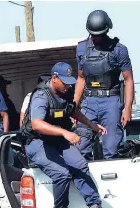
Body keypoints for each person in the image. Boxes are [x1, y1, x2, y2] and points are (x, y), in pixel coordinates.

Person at [20, 62, 107, 208]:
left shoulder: (66, 93)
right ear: (54, 78)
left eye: (69, 82)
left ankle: (94, 204)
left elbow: (73, 111)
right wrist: (64, 132)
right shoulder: (41, 96)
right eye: (64, 82)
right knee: (62, 174)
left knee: (80, 165)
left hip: (57, 140)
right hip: (36, 141)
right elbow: (36, 124)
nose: (67, 86)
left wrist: (92, 125)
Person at [74, 10, 134, 160]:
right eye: (93, 34)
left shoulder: (119, 50)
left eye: (99, 34)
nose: (96, 38)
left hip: (111, 101)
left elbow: (128, 80)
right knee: (81, 147)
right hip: (89, 101)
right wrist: (74, 106)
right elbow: (81, 78)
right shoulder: (81, 49)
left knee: (111, 149)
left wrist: (127, 108)